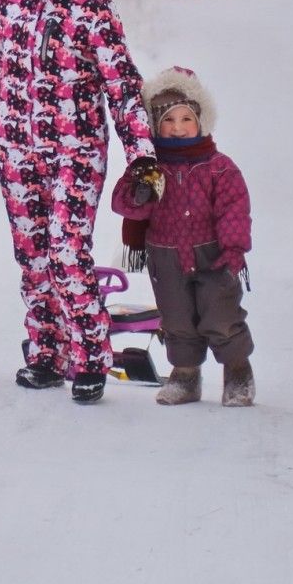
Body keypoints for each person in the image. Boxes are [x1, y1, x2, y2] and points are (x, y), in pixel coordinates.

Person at [0, 0, 159, 404]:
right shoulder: (8, 2)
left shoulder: (93, 8)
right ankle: (45, 355)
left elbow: (123, 84)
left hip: (75, 151)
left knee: (65, 250)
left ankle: (90, 359)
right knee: (32, 256)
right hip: (17, 150)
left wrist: (141, 154)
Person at [109, 65, 255, 406]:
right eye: (168, 121)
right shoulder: (149, 166)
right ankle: (185, 375)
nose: (177, 128)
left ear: (200, 120)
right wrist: (139, 193)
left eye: (185, 119)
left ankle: (237, 372)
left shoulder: (218, 167)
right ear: (155, 126)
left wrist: (233, 250)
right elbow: (123, 203)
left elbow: (234, 209)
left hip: (213, 255)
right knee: (176, 318)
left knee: (221, 316)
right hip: (165, 256)